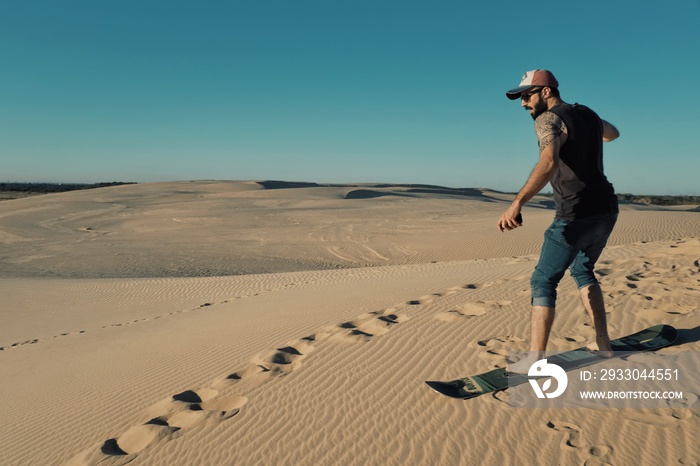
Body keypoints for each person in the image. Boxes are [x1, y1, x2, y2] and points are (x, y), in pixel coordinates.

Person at [498, 69, 620, 371]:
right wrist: (589, 129)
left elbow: (549, 161)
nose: (523, 103)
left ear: (546, 92)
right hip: (605, 209)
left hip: (574, 213)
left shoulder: (547, 119)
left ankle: (536, 359)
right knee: (583, 270)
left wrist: (517, 203)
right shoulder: (587, 113)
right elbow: (613, 133)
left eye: (527, 95)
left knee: (542, 280)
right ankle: (603, 344)